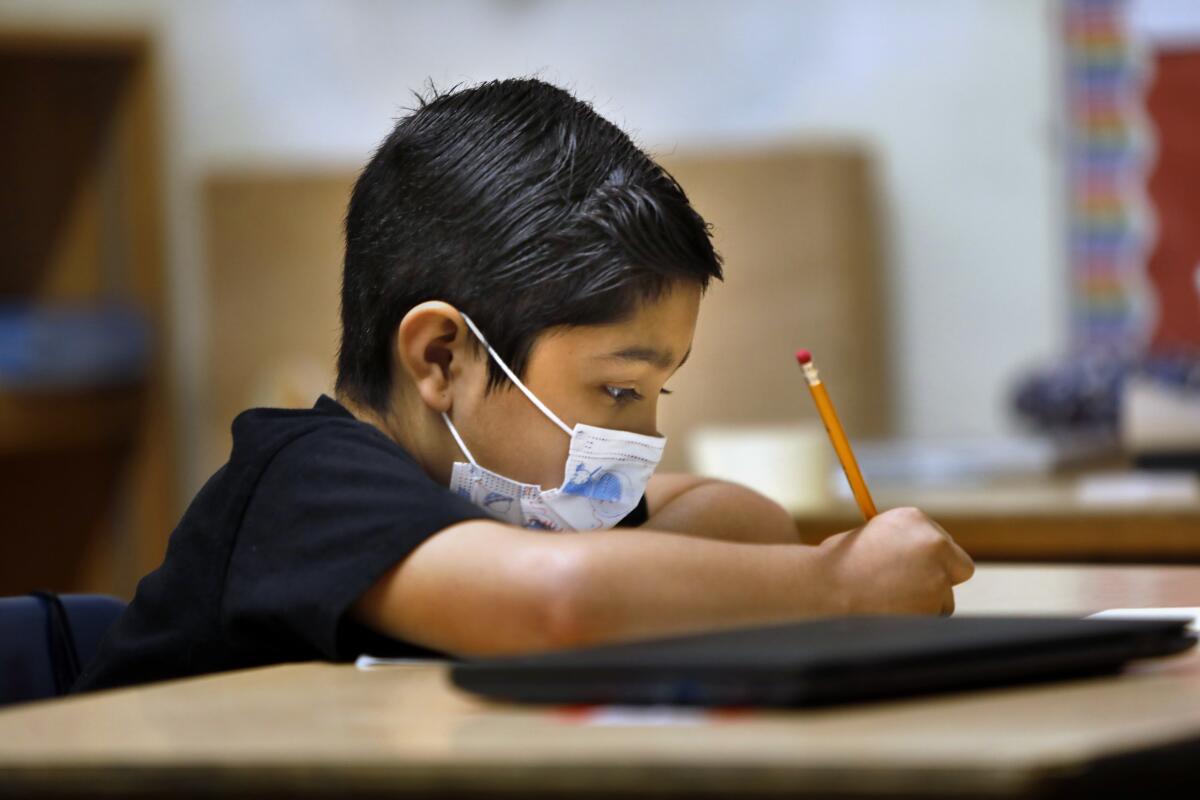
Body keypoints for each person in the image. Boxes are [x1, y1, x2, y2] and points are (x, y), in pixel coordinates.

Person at [74, 78, 973, 692]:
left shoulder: (513, 498)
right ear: (441, 359)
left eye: (660, 395)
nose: (641, 437)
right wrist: (837, 587)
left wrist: (746, 558)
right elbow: (557, 602)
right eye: (618, 393)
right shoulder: (303, 482)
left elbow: (751, 523)